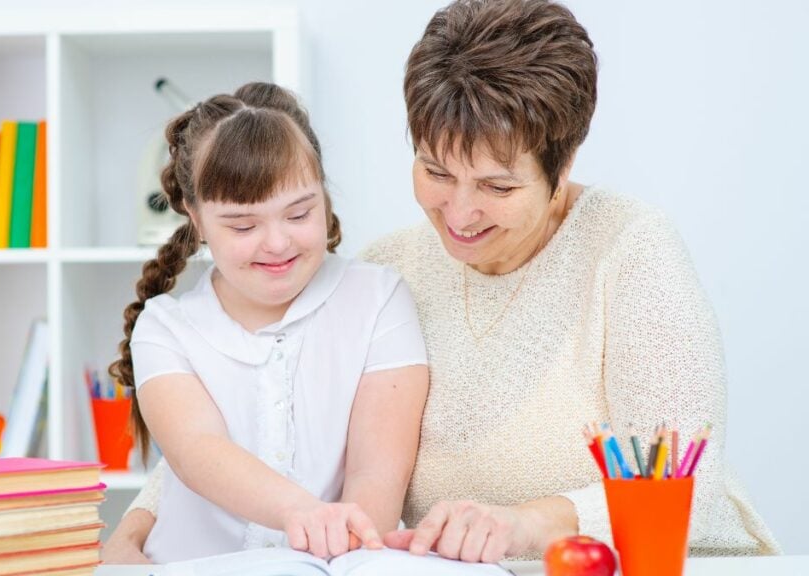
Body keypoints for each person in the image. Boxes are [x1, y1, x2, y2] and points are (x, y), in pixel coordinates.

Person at [105, 0, 780, 563]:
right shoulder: (391, 268)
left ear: (564, 162)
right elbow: (261, 415)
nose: (457, 214)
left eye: (497, 185)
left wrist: (526, 524)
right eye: (436, 171)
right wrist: (143, 519)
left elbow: (684, 484)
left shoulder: (629, 250)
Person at [102, 81, 430, 564]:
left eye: (299, 213)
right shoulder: (167, 327)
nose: (276, 243)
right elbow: (197, 449)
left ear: (323, 194)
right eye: (243, 226)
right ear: (195, 217)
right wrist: (306, 513)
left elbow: (376, 477)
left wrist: (342, 541)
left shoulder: (379, 299)